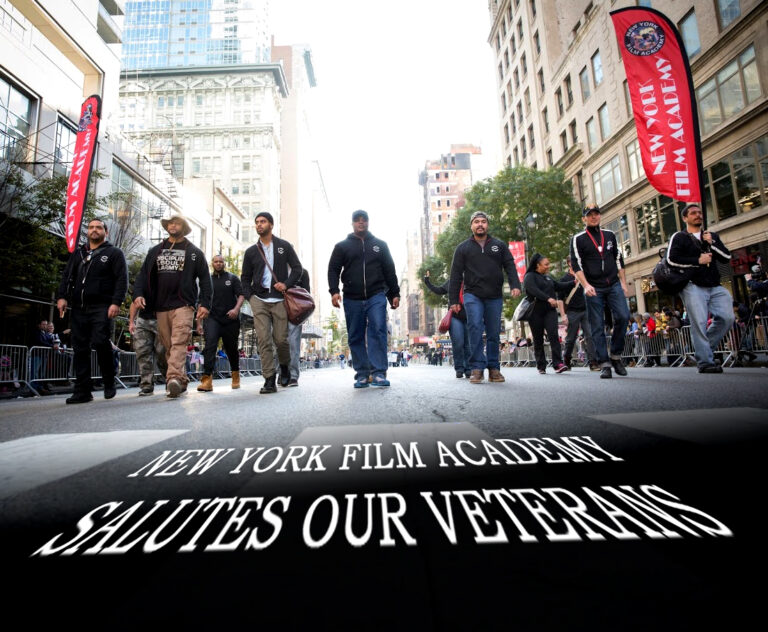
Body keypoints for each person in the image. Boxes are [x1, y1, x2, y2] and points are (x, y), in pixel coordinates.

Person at [133, 213, 211, 398]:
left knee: (179, 342)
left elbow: (205, 280)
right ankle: (181, 380)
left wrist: (204, 304)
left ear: (183, 227)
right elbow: (143, 276)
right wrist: (138, 295)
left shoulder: (194, 252)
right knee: (168, 346)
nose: (173, 226)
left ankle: (173, 379)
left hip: (183, 304)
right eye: (170, 223)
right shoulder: (155, 250)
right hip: (160, 306)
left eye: (177, 223)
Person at [56, 218, 128, 403]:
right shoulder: (79, 253)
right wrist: (62, 296)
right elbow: (67, 276)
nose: (94, 230)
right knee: (80, 348)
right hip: (79, 307)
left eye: (98, 227)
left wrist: (116, 302)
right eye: (91, 227)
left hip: (102, 306)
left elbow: (121, 280)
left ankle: (109, 379)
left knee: (100, 341)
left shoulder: (114, 253)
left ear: (106, 232)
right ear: (87, 232)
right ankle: (82, 391)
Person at [328, 209, 400, 388]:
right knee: (355, 335)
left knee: (378, 330)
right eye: (357, 220)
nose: (361, 223)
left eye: (364, 220)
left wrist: (394, 294)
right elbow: (333, 269)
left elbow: (389, 271)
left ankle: (379, 373)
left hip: (377, 295)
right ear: (352, 223)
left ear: (368, 222)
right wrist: (334, 291)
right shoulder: (342, 246)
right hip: (352, 297)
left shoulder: (380, 245)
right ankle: (362, 373)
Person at [448, 211, 521, 384]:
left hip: (494, 295)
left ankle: (494, 368)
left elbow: (510, 265)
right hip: (472, 295)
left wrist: (515, 285)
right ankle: (477, 368)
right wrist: (453, 301)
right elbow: (456, 275)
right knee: (474, 327)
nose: (480, 224)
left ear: (487, 225)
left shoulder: (499, 245)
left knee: (494, 332)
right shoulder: (463, 248)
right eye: (476, 222)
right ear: (471, 225)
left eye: (483, 221)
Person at [667, 202, 733, 373]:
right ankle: (705, 362)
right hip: (692, 286)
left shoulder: (711, 236)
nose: (698, 215)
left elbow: (726, 257)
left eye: (699, 212)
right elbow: (671, 260)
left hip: (714, 286)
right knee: (700, 323)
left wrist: (712, 243)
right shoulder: (679, 237)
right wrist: (697, 261)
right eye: (693, 213)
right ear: (685, 218)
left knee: (727, 317)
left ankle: (703, 350)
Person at [241, 211, 303, 394]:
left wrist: (286, 284)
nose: (259, 225)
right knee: (263, 340)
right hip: (259, 300)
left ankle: (284, 366)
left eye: (263, 222)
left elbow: (298, 269)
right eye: (257, 222)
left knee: (281, 340)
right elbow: (245, 278)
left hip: (279, 300)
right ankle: (269, 379)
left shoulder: (284, 246)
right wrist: (250, 297)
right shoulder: (251, 251)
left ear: (271, 225)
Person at [570, 204, 630, 379]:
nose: (594, 217)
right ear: (584, 219)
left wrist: (623, 283)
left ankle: (616, 356)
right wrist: (586, 285)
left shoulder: (610, 235)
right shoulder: (578, 239)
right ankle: (604, 363)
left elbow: (618, 259)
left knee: (623, 316)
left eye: (596, 214)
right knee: (597, 325)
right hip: (593, 287)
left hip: (613, 284)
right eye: (590, 215)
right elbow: (576, 264)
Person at [197, 254, 244, 392]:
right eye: (216, 261)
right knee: (210, 347)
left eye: (221, 262)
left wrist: (236, 309)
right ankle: (207, 381)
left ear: (224, 264)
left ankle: (235, 375)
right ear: (212, 263)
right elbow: (201, 302)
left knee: (231, 349)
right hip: (212, 318)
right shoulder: (207, 281)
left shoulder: (232, 278)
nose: (218, 263)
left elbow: (241, 295)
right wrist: (199, 323)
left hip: (230, 319)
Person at [523, 253, 573, 374]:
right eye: (546, 264)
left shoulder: (548, 278)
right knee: (538, 339)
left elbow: (559, 286)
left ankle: (558, 364)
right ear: (537, 265)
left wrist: (574, 282)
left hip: (550, 311)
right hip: (535, 312)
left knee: (553, 336)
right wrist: (548, 298)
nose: (548, 266)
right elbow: (533, 290)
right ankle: (541, 365)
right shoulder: (529, 276)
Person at [425, 270, 472, 378]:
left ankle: (468, 368)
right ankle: (459, 368)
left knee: (468, 344)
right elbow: (438, 290)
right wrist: (427, 281)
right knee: (458, 343)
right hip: (455, 317)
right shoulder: (451, 282)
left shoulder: (471, 282)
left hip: (469, 316)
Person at [556, 256, 598, 370]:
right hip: (572, 311)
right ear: (569, 263)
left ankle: (593, 362)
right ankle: (567, 358)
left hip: (586, 310)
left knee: (590, 335)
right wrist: (563, 315)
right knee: (571, 338)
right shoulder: (564, 279)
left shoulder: (584, 276)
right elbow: (560, 299)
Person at [128, 286, 167, 396]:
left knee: (162, 352)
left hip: (161, 318)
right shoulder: (144, 279)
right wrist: (131, 322)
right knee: (142, 352)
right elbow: (134, 301)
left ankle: (170, 378)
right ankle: (146, 385)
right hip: (143, 320)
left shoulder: (165, 276)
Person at [286, 268, 310, 387]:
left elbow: (307, 295)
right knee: (277, 344)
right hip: (277, 310)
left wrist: (304, 316)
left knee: (294, 344)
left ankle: (293, 375)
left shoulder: (302, 272)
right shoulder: (275, 269)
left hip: (295, 312)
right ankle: (282, 373)